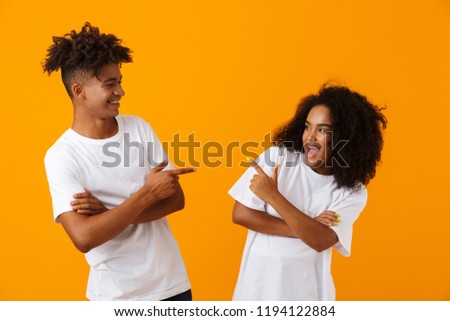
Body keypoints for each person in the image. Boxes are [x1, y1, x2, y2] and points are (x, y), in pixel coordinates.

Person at [43, 22, 195, 301]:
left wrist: (106, 214)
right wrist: (148, 194)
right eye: (109, 84)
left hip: (172, 285)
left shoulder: (138, 128)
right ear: (79, 90)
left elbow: (175, 200)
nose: (120, 92)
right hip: (115, 296)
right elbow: (85, 238)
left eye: (120, 82)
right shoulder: (62, 156)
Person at [229, 84, 387, 300]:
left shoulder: (353, 192)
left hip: (307, 296)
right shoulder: (278, 158)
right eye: (307, 127)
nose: (310, 137)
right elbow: (241, 215)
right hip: (255, 291)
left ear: (346, 137)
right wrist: (307, 225)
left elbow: (321, 240)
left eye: (322, 130)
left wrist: (273, 196)